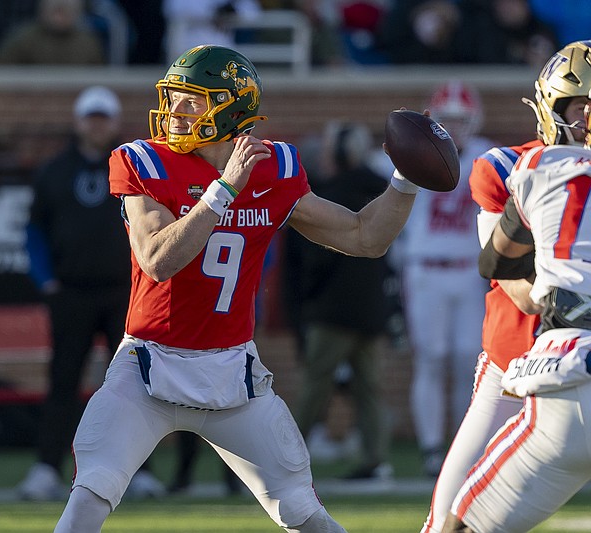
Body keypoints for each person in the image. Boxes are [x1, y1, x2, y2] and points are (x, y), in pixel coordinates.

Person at [53, 44, 420, 533]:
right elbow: (159, 260)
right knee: (91, 493)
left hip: (232, 373)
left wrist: (405, 181)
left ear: (230, 107)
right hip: (148, 366)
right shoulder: (144, 160)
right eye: (174, 97)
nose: (175, 111)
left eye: (192, 100)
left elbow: (364, 236)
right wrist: (222, 190)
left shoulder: (274, 168)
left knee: (301, 509)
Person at [420, 40, 591, 533]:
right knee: (448, 517)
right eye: (581, 107)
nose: (589, 121)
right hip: (515, 362)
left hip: (578, 364)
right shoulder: (509, 168)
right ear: (551, 107)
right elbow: (510, 276)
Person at [18, 85, 165, 501]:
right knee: (63, 381)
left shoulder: (135, 168)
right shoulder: (54, 171)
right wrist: (45, 279)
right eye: (90, 117)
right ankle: (47, 468)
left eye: (104, 118)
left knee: (135, 384)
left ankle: (139, 471)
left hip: (126, 291)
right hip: (72, 293)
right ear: (79, 121)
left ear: (115, 122)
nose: (97, 125)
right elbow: (34, 230)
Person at [284, 120, 393, 480]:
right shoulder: (380, 190)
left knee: (315, 387)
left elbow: (313, 261)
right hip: (371, 310)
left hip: (331, 312)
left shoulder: (329, 192)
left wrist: (303, 304)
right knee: (369, 390)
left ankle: (288, 456)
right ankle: (375, 459)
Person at [396, 80, 494, 477]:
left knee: (468, 358)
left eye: (462, 120)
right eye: (448, 119)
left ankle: (464, 447)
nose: (455, 127)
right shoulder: (415, 153)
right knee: (431, 359)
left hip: (470, 271)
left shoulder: (486, 155)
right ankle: (433, 448)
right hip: (426, 269)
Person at [0, 0, 105, 65]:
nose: (61, 3)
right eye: (56, 10)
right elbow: (0, 77)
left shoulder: (89, 44)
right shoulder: (21, 40)